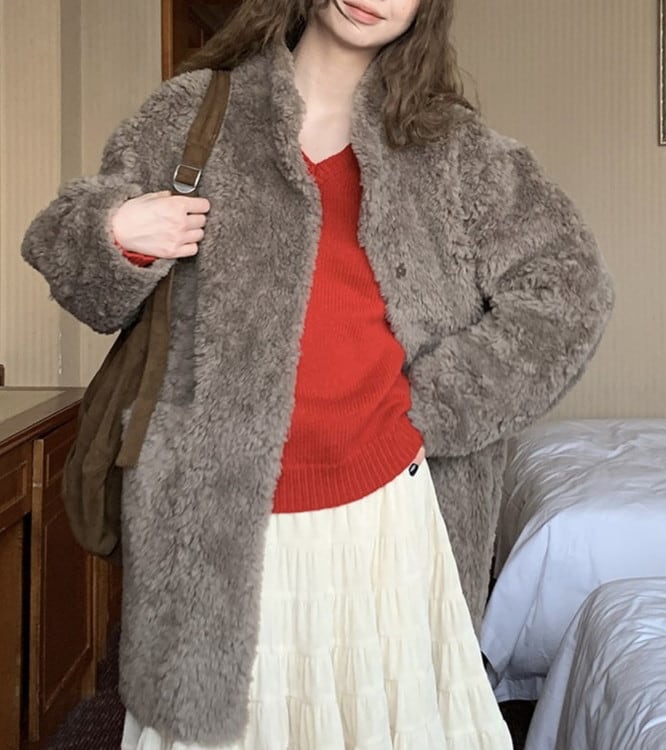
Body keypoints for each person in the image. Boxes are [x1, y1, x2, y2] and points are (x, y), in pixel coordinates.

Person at [21, 0, 613, 747]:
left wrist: (437, 407)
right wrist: (115, 231)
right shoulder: (190, 114)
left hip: (388, 513)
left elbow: (569, 289)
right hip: (215, 512)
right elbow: (74, 268)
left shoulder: (452, 147)